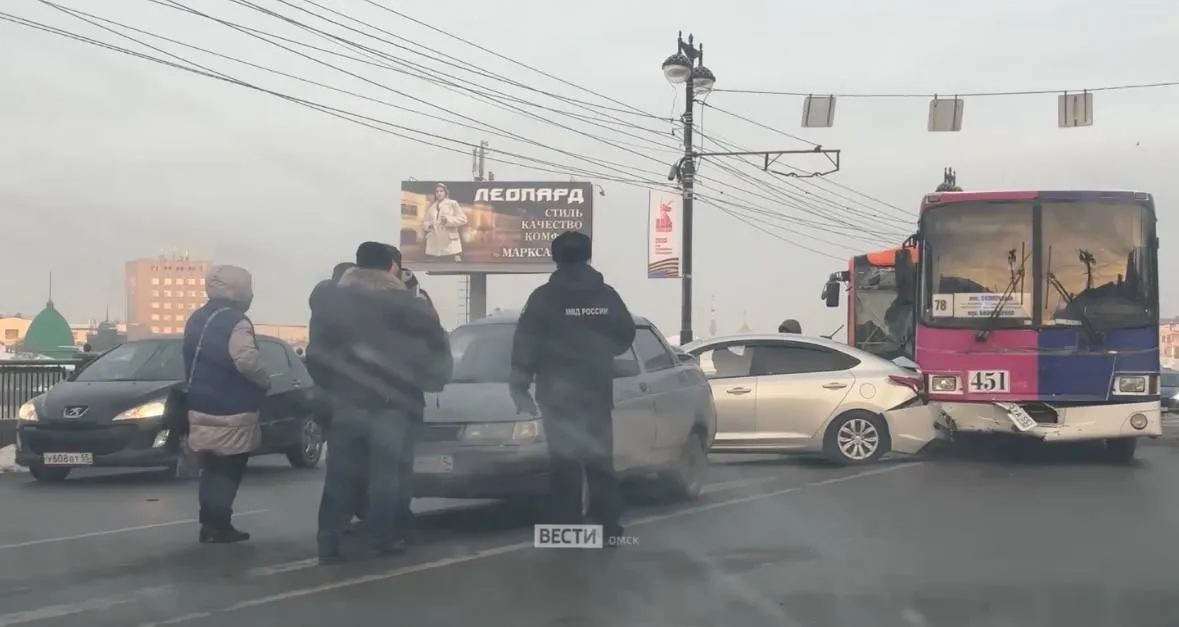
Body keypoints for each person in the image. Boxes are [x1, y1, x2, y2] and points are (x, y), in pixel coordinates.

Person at [310, 242, 452, 562]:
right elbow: (436, 352)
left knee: (340, 476)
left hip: (346, 404)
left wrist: (335, 389)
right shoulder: (411, 305)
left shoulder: (332, 304)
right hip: (394, 406)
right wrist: (430, 382)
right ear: (392, 267)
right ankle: (382, 538)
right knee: (388, 477)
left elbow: (316, 355)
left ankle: (328, 542)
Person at [509, 231, 636, 543]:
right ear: (588, 255)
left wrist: (519, 387)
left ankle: (567, 530)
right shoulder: (606, 296)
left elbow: (525, 344)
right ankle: (607, 529)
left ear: (555, 258)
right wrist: (602, 354)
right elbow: (626, 333)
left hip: (557, 396)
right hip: (596, 392)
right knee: (599, 461)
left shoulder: (543, 298)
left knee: (564, 464)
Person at [182, 265, 271, 544]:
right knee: (229, 467)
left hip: (199, 402)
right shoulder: (236, 321)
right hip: (232, 406)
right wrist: (264, 380)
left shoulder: (197, 317)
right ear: (240, 291)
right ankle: (220, 524)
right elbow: (246, 359)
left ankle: (208, 522)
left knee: (210, 467)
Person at [421, 183, 467, 262]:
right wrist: (429, 225)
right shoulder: (432, 207)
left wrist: (448, 220)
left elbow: (463, 219)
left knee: (454, 266)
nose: (439, 193)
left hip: (451, 247)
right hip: (434, 248)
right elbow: (425, 222)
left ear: (445, 192)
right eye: (437, 191)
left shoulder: (452, 203)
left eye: (441, 191)